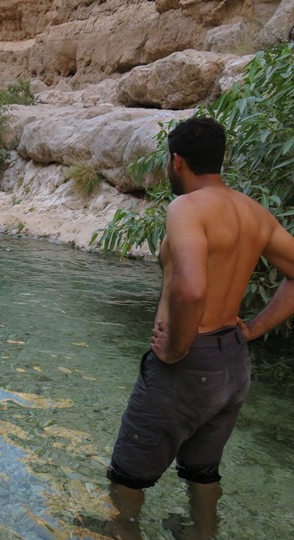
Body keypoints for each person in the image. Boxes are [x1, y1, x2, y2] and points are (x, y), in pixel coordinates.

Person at [105, 117, 294, 539]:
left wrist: (173, 348)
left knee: (128, 477)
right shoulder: (254, 213)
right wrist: (252, 330)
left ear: (176, 161)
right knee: (202, 472)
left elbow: (191, 291)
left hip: (189, 364)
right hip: (233, 366)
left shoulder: (186, 208)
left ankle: (121, 532)